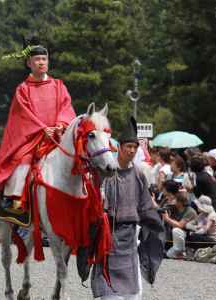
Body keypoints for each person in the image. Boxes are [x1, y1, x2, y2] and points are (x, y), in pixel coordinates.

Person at [0, 39, 76, 209]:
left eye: (44, 59)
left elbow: (66, 107)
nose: (41, 62)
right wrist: (42, 129)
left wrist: (60, 124)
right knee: (21, 159)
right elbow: (23, 115)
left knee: (80, 158)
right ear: (29, 63)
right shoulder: (23, 89)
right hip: (33, 138)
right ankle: (13, 196)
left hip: (58, 137)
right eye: (37, 59)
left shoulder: (59, 86)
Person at [91, 116, 164, 300]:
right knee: (109, 293)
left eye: (135, 147)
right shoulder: (106, 172)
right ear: (120, 148)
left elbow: (145, 204)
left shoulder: (139, 173)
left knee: (133, 294)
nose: (132, 151)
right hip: (108, 235)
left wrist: (154, 219)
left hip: (130, 237)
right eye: (128, 147)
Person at [162, 192, 198, 259]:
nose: (173, 201)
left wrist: (167, 219)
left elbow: (180, 225)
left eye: (175, 199)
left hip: (188, 234)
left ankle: (180, 252)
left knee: (176, 230)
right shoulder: (173, 208)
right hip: (176, 236)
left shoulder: (190, 211)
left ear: (180, 202)